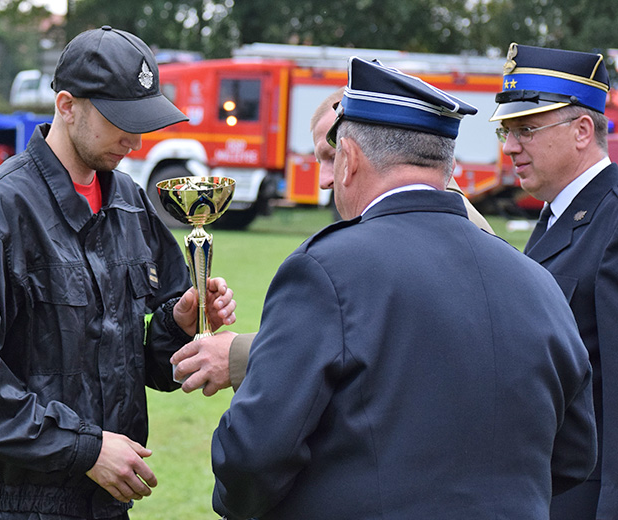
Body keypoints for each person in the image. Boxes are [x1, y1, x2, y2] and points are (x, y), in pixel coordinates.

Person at [210, 56, 597, 520]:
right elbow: (574, 452)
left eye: (333, 161)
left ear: (350, 159)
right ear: (446, 161)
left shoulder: (327, 269)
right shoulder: (537, 280)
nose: (329, 177)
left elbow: (253, 454)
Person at [0, 26, 237, 520]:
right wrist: (84, 448)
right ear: (67, 106)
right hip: (21, 507)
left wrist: (179, 323)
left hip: (111, 506)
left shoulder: (132, 204)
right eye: (120, 120)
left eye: (143, 121)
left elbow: (152, 368)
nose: (135, 139)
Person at [172, 87, 494, 395]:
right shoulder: (462, 232)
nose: (326, 179)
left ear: (360, 152)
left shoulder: (404, 237)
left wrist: (237, 354)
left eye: (334, 155)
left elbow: (367, 344)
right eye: (320, 160)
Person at [490, 42, 618, 520]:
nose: (509, 147)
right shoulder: (555, 218)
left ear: (582, 130)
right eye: (507, 131)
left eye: (526, 129)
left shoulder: (613, 222)